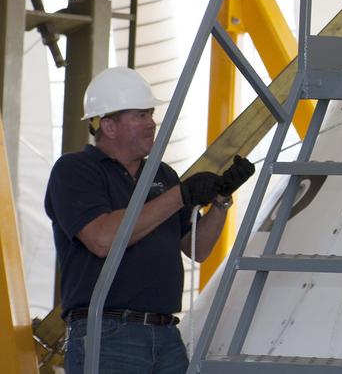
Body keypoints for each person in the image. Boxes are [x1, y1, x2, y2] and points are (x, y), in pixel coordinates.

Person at [44, 67, 255, 374]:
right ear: (109, 125)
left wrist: (222, 200)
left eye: (150, 114)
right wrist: (181, 195)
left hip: (166, 335)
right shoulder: (75, 170)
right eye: (140, 116)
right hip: (109, 335)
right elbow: (102, 239)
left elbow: (198, 248)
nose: (151, 124)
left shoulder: (162, 175)